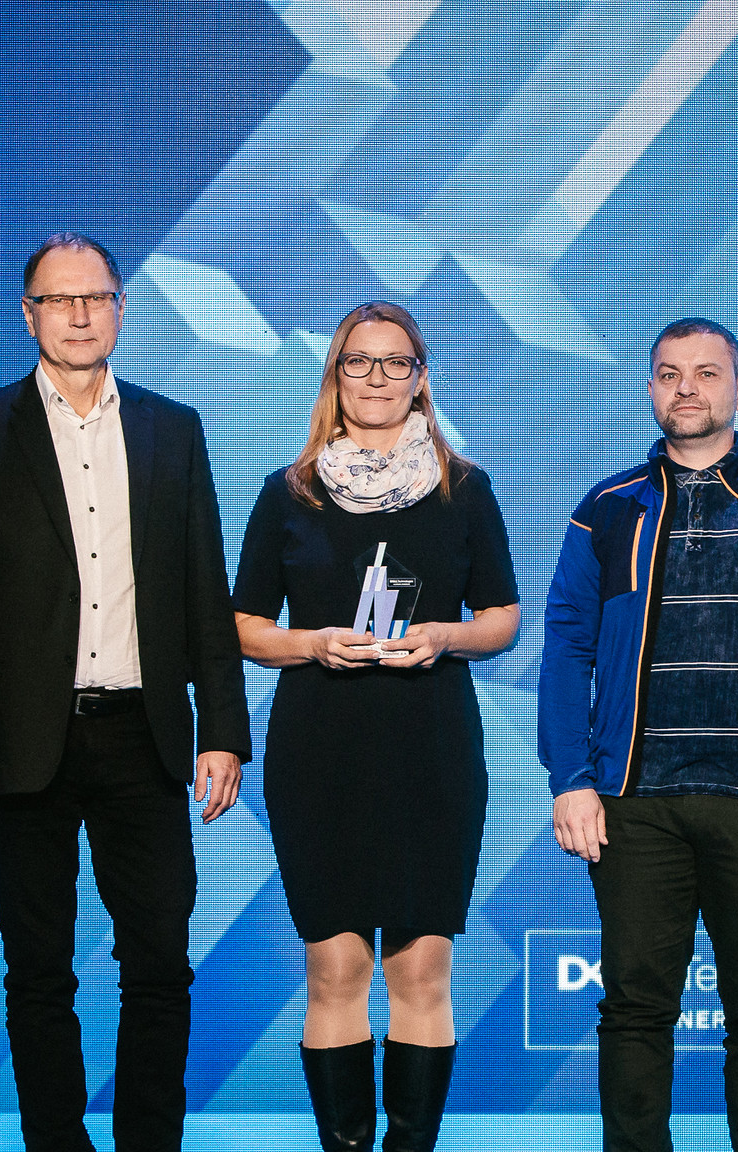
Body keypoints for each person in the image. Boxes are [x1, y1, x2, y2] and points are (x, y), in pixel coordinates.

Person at [0, 233, 252, 1152]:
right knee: (38, 972)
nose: (79, 315)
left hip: (143, 734)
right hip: (23, 741)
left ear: (121, 308)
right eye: (58, 300)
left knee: (158, 965)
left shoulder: (171, 427)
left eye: (97, 298)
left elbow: (203, 588)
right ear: (27, 314)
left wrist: (222, 729)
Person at [541, 317, 738, 1152]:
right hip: (633, 802)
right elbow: (567, 646)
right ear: (650, 390)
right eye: (668, 374)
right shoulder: (608, 509)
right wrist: (570, 778)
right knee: (634, 1010)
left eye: (706, 372)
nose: (686, 388)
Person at [232, 301, 521, 1152]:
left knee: (422, 969)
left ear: (421, 379)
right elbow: (244, 627)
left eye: (397, 363)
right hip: (320, 754)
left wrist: (445, 636)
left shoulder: (464, 490)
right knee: (336, 969)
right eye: (359, 362)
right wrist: (313, 643)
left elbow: (503, 617)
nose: (378, 379)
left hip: (431, 752)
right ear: (336, 375)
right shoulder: (289, 493)